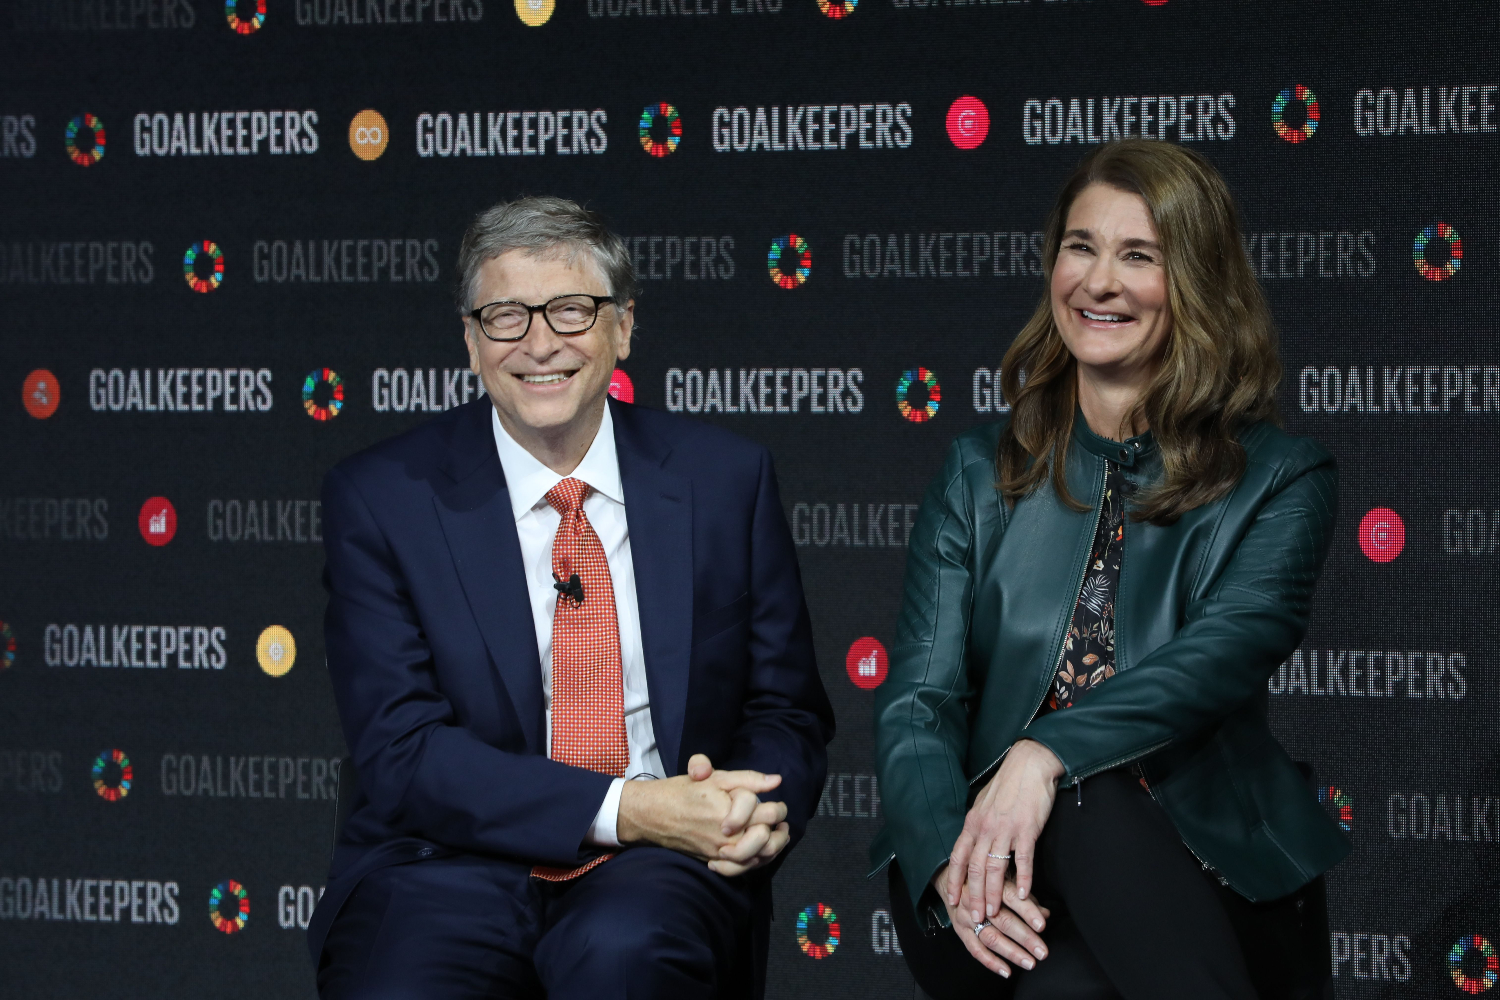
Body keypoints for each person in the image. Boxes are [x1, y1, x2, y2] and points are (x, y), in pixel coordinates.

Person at [309, 196, 834, 999]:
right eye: (506, 316)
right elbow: (404, 751)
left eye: (571, 310)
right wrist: (632, 807)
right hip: (443, 860)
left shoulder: (724, 480)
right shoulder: (381, 498)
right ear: (471, 341)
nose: (540, 343)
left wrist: (746, 810)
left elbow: (786, 710)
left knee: (624, 957)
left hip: (658, 867)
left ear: (623, 326)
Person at [870, 139, 1350, 999]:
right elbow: (919, 702)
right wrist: (945, 854)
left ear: (1197, 282)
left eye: (1140, 256)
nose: (1099, 282)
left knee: (1075, 946)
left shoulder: (1279, 478)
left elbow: (1222, 652)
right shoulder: (979, 472)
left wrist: (1043, 752)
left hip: (1209, 869)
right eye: (1081, 247)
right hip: (990, 875)